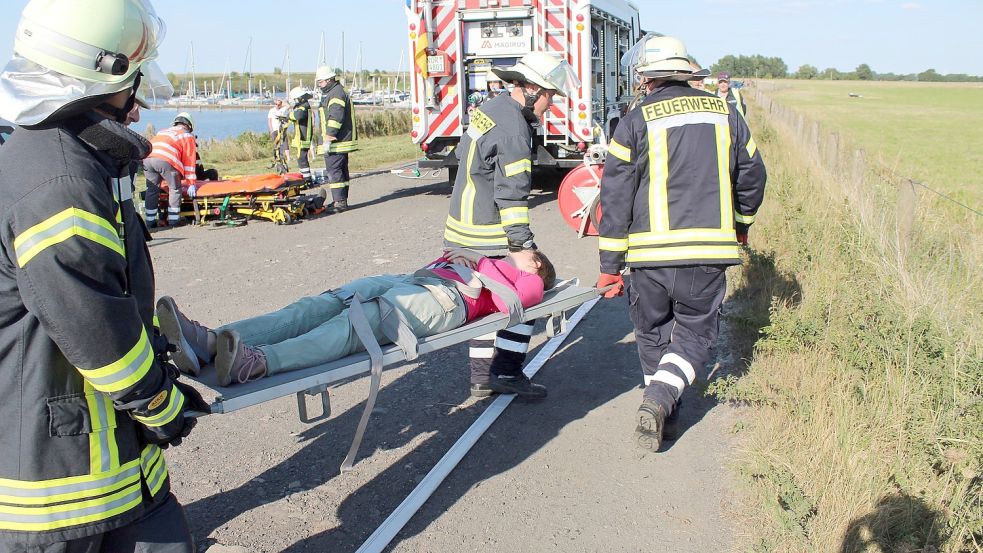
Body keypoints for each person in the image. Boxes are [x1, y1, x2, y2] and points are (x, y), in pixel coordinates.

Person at [0, 0, 203, 551]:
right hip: (64, 490)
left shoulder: (55, 159)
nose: (135, 109)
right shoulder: (60, 186)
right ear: (100, 78)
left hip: (109, 465)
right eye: (131, 85)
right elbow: (98, 327)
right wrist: (162, 403)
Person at [597, 35, 767, 452]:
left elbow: (615, 194)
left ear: (647, 79)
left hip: (648, 255)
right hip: (707, 252)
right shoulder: (726, 113)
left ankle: (659, 413)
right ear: (688, 74)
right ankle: (660, 406)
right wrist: (740, 224)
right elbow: (752, 175)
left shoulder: (634, 120)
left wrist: (609, 263)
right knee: (695, 335)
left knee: (653, 333)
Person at [156, 248, 556, 387]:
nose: (518, 250)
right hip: (414, 281)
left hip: (445, 300)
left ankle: (256, 363)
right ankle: (209, 343)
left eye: (527, 253)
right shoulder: (501, 263)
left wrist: (482, 263)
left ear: (535, 263)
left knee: (358, 323)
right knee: (317, 306)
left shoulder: (529, 280)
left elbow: (520, 301)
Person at [444, 51, 580, 399]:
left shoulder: (489, 110)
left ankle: (480, 378)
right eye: (550, 97)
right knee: (530, 291)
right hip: (489, 235)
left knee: (482, 300)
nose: (550, 106)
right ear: (533, 88)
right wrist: (523, 248)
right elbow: (512, 196)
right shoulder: (515, 131)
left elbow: (462, 156)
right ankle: (505, 372)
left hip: (460, 230)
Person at [315, 65, 358, 211]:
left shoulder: (335, 94)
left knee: (334, 171)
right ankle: (341, 200)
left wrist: (328, 137)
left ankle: (340, 202)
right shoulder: (337, 91)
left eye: (320, 82)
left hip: (335, 142)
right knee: (341, 170)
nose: (319, 85)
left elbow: (335, 117)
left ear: (328, 80)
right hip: (340, 141)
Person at [145, 112, 197, 227]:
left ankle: (150, 222)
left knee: (152, 190)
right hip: (166, 159)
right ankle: (174, 221)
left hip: (148, 158)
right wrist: (191, 183)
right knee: (175, 189)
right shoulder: (187, 135)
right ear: (189, 126)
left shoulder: (162, 131)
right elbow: (189, 162)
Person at [287, 86, 314, 185]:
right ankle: (304, 177)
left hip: (304, 137)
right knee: (300, 158)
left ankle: (307, 180)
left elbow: (298, 115)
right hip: (302, 136)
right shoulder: (303, 106)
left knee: (302, 158)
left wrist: (288, 116)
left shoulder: (304, 107)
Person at [267, 97, 290, 169]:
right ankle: (277, 157)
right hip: (274, 129)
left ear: (281, 105)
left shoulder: (283, 110)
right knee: (276, 144)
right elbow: (269, 121)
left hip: (282, 129)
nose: (277, 105)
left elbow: (288, 106)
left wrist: (282, 100)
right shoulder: (271, 110)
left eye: (279, 104)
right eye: (276, 104)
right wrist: (271, 130)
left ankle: (288, 157)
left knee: (285, 142)